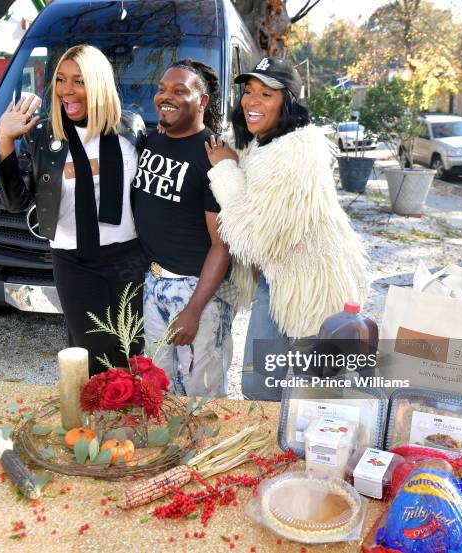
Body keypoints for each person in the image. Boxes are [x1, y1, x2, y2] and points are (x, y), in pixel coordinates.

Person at [205, 57, 369, 380]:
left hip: (315, 285)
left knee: (314, 391)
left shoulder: (295, 153)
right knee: (260, 384)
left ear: (288, 103)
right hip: (280, 278)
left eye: (266, 94)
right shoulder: (266, 142)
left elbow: (252, 238)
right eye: (249, 91)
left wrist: (225, 169)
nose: (252, 101)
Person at [0, 44, 147, 375]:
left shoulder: (131, 129)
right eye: (61, 80)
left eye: (79, 81)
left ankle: (134, 424)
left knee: (134, 350)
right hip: (74, 262)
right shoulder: (43, 134)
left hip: (129, 259)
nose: (67, 90)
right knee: (94, 355)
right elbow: (15, 202)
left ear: (99, 82)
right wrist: (4, 142)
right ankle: (97, 422)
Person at [132, 59, 233, 397]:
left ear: (202, 101)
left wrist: (193, 310)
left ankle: (209, 451)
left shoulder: (214, 157)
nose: (165, 96)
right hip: (155, 282)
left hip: (197, 292)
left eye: (179, 90)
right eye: (161, 89)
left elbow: (222, 245)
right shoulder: (152, 140)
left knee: (202, 395)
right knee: (160, 387)